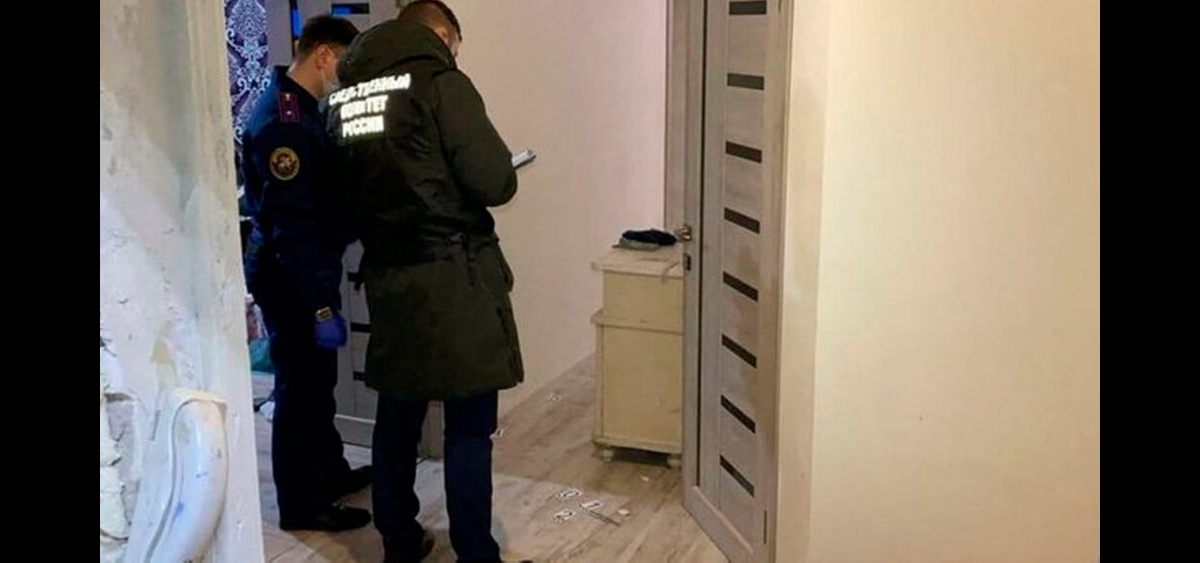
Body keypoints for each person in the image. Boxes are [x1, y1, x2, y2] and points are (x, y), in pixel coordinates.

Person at [326, 1, 528, 560]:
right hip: (455, 278)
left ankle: (399, 539)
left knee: (397, 415)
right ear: (441, 34)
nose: (455, 55)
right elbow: (495, 181)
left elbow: (342, 196)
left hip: (389, 279)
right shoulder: (441, 84)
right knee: (468, 425)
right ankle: (475, 553)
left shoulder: (342, 100)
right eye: (455, 45)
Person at [241, 14, 370, 532]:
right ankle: (302, 503)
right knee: (299, 389)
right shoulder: (285, 121)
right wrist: (319, 304)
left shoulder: (301, 109)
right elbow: (291, 226)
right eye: (346, 64)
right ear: (324, 55)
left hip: (303, 266)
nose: (347, 76)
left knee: (319, 383)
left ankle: (329, 472)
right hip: (290, 274)